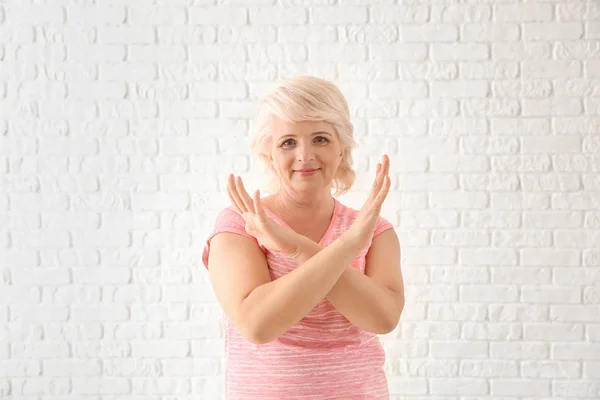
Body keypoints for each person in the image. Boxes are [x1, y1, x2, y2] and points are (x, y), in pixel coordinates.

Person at [202, 76, 405, 399]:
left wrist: (298, 248)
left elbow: (382, 318)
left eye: (321, 139)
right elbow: (257, 324)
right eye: (288, 142)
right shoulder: (241, 225)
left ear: (342, 149)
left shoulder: (373, 231)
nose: (305, 155)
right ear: (269, 154)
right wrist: (346, 246)